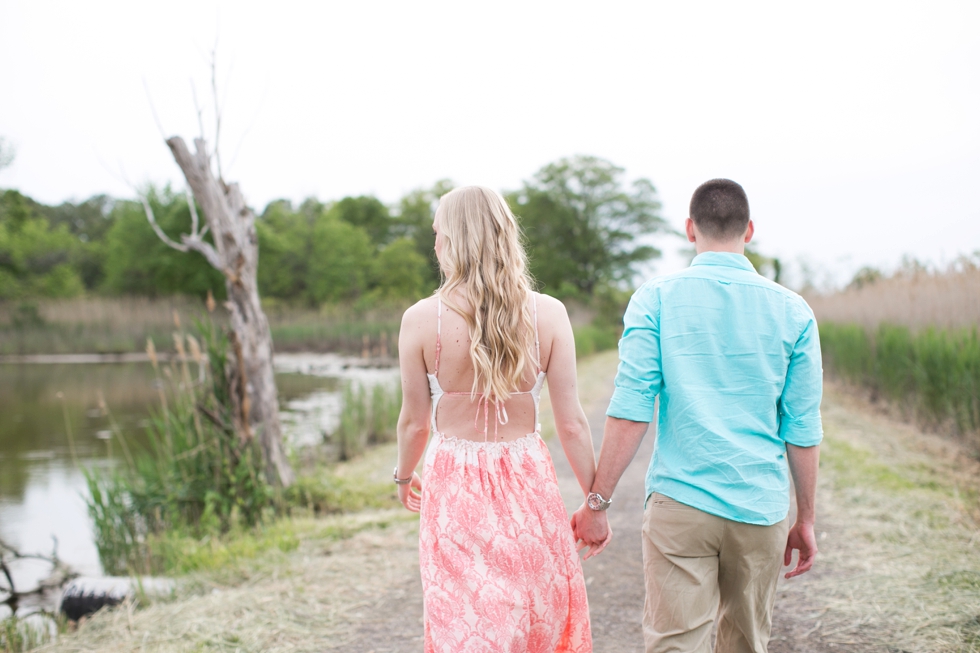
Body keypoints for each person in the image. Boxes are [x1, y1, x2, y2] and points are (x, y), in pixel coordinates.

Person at [572, 179, 824, 653]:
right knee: (746, 644)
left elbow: (630, 410)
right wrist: (806, 517)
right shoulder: (794, 312)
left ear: (690, 229)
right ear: (749, 230)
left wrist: (598, 502)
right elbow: (802, 428)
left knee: (673, 645)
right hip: (759, 507)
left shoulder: (655, 299)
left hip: (680, 504)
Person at [395, 186, 604, 653]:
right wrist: (595, 504)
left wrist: (403, 476)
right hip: (527, 476)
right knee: (534, 609)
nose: (434, 244)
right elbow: (572, 423)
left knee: (464, 620)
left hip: (452, 483)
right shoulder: (549, 314)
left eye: (437, 234)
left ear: (453, 239)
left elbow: (413, 423)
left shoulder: (419, 319)